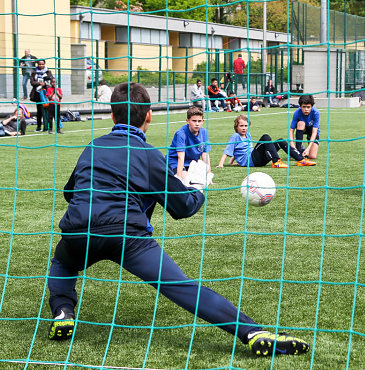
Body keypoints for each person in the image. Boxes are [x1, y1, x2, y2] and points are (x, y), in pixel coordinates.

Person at [46, 82, 309, 357]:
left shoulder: (92, 147)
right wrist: (197, 188)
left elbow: (69, 193)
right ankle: (252, 332)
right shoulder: (148, 155)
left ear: (112, 116)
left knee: (63, 263)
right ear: (149, 116)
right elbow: (182, 208)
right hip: (128, 237)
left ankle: (63, 310)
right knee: (181, 287)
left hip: (78, 232)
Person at [217, 114, 313, 169]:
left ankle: (301, 160)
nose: (244, 128)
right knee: (265, 137)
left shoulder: (248, 135)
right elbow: (228, 150)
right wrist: (221, 164)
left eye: (246, 126)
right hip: (252, 160)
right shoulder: (235, 136)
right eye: (241, 126)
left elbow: (239, 150)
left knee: (281, 141)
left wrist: (231, 162)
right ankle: (276, 161)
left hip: (259, 161)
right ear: (236, 127)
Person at [167, 106, 212, 179]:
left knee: (200, 179)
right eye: (194, 121)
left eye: (199, 121)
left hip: (191, 163)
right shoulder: (181, 133)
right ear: (187, 121)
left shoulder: (204, 132)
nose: (197, 124)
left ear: (203, 121)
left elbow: (205, 155)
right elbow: (180, 157)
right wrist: (179, 177)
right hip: (175, 162)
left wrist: (209, 176)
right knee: (187, 179)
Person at [289, 95, 320, 163]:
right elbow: (291, 130)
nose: (306, 109)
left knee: (312, 156)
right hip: (303, 128)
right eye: (304, 107)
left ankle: (303, 149)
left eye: (308, 107)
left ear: (312, 107)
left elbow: (315, 132)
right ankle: (298, 151)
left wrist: (308, 149)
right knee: (301, 123)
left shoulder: (316, 113)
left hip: (312, 131)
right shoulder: (297, 113)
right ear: (300, 106)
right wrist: (292, 146)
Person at [29, 59, 53, 132]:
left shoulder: (48, 72)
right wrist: (39, 83)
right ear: (37, 64)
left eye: (42, 64)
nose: (41, 65)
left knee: (47, 111)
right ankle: (39, 127)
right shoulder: (34, 72)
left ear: (45, 64)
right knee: (39, 111)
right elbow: (32, 82)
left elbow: (51, 80)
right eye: (40, 64)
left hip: (46, 93)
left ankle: (47, 127)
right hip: (37, 93)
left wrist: (45, 84)